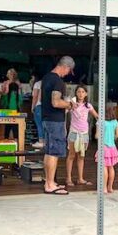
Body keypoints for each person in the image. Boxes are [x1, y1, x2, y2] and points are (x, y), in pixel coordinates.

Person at [41, 55, 75, 194]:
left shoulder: (46, 78)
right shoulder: (58, 82)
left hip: (46, 118)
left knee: (49, 151)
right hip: (55, 121)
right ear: (65, 67)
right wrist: (70, 104)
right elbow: (56, 102)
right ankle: (49, 185)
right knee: (54, 153)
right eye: (68, 70)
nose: (67, 73)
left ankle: (49, 181)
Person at [66, 85, 97, 187]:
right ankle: (68, 179)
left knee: (81, 156)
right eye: (78, 92)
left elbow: (96, 116)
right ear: (76, 93)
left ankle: (80, 178)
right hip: (74, 133)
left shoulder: (88, 106)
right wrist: (69, 104)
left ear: (86, 94)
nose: (80, 94)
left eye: (83, 92)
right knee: (71, 156)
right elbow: (64, 111)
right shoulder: (72, 105)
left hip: (84, 134)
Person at [95, 112, 118, 193]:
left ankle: (104, 188)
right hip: (112, 148)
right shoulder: (115, 122)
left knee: (104, 167)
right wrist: (112, 137)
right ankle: (110, 187)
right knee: (111, 167)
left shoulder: (100, 122)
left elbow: (97, 136)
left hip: (103, 147)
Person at [30, 73, 45, 150]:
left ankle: (41, 141)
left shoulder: (37, 84)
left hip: (39, 106)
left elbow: (35, 96)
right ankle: (45, 142)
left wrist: (33, 107)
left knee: (39, 124)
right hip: (47, 107)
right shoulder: (48, 83)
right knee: (45, 124)